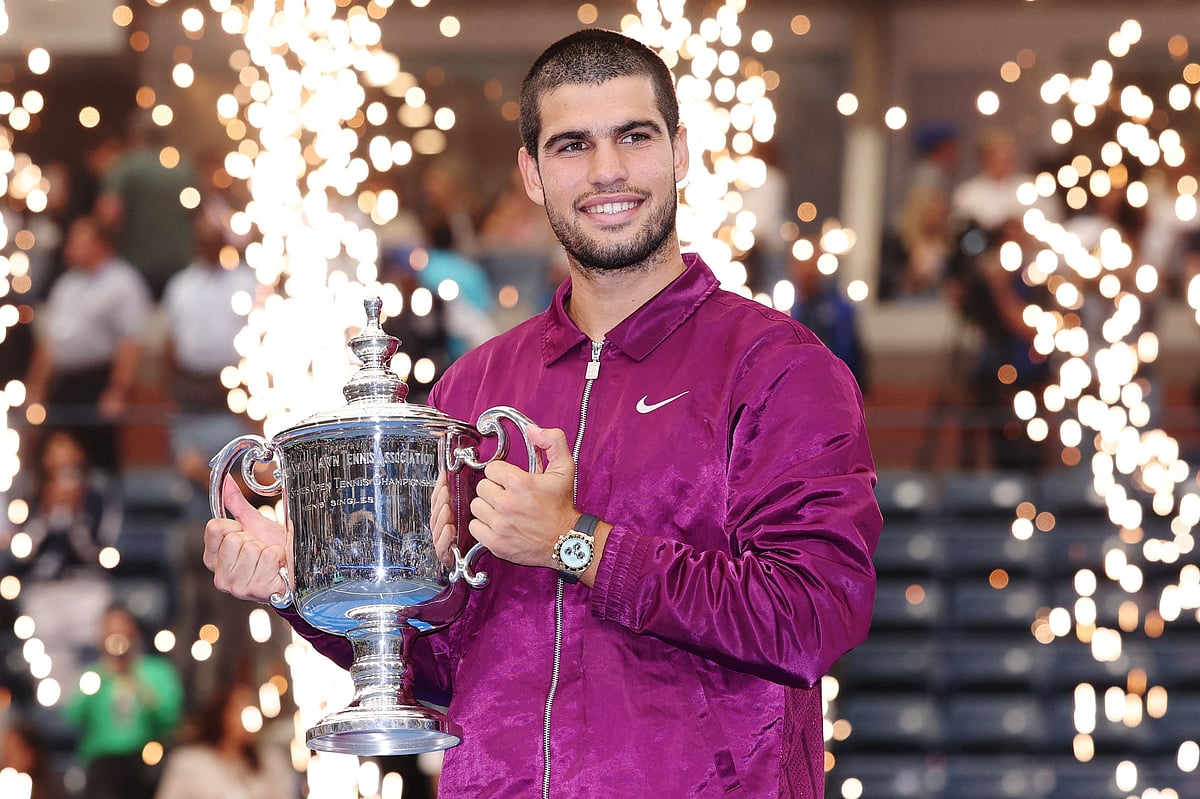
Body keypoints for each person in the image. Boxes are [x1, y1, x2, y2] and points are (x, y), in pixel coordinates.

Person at [204, 28, 881, 798]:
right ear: (531, 173)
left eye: (634, 136)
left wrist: (576, 542)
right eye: (571, 146)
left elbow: (812, 616)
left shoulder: (778, 367)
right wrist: (301, 583)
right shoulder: (474, 385)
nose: (607, 171)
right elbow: (445, 661)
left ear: (680, 151)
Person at [23, 214, 152, 473]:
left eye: (79, 239)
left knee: (97, 459)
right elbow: (51, 341)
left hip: (98, 381)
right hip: (64, 383)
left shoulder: (122, 283)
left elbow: (131, 342)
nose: (71, 244)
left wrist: (117, 389)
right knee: (52, 455)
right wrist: (36, 385)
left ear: (100, 244)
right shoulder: (67, 284)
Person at [63, 603, 185, 799]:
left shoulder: (157, 672)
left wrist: (136, 680)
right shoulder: (92, 675)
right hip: (103, 764)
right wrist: (103, 675)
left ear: (134, 633)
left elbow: (170, 718)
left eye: (122, 631)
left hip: (146, 761)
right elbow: (74, 717)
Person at [153, 682, 297, 799]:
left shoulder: (270, 763)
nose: (250, 716)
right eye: (241, 709)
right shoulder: (190, 762)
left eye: (252, 707)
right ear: (222, 715)